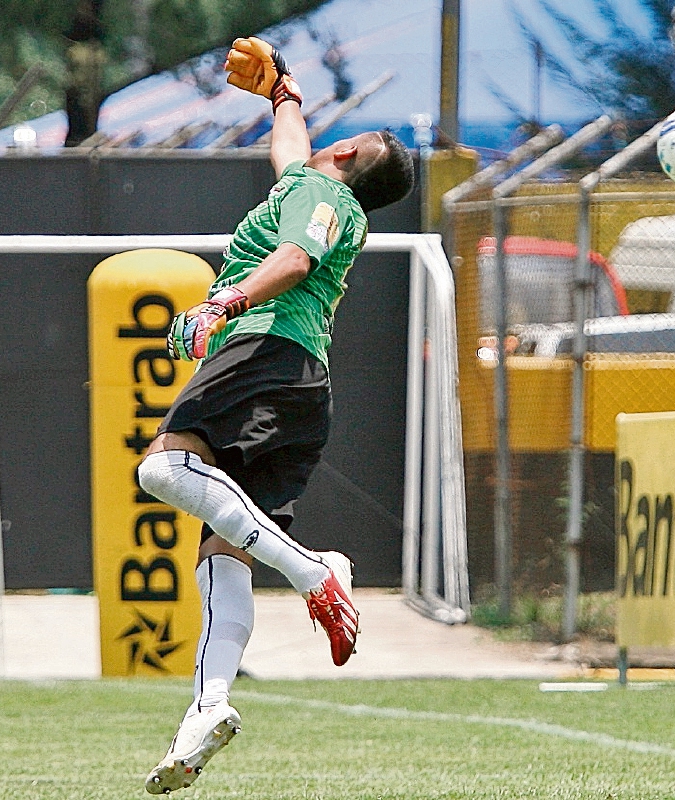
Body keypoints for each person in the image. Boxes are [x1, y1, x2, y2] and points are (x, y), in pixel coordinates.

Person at [137, 36, 414, 795]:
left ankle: (314, 573)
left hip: (267, 352)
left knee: (163, 465)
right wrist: (283, 93)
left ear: (351, 149)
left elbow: (293, 259)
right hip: (299, 382)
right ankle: (209, 708)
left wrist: (224, 301)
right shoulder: (312, 184)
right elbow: (290, 150)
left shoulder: (326, 199)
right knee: (225, 549)